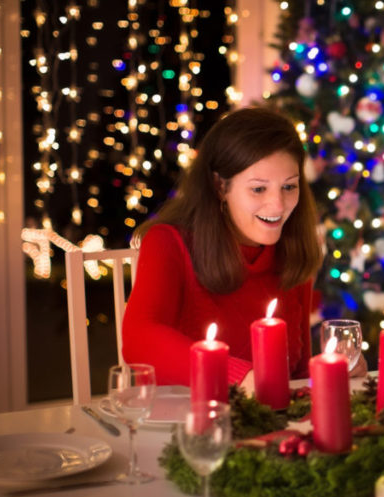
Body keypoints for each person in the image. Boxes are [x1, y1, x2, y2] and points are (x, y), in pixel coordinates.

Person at [122, 106, 322, 387]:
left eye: (289, 187)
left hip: (269, 428)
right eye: (258, 188)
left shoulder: (293, 249)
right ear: (220, 186)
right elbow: (139, 339)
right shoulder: (168, 242)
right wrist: (238, 377)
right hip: (184, 425)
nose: (278, 205)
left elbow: (296, 376)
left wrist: (330, 373)